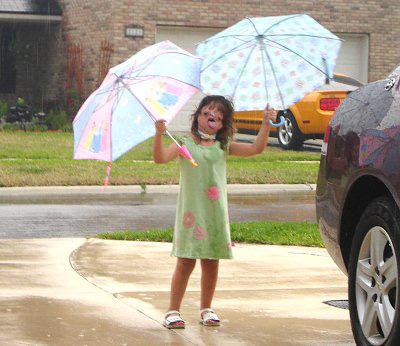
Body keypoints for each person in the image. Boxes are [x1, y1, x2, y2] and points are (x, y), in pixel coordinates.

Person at [153, 95, 277, 329]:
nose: (212, 117)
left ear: (223, 124)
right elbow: (160, 159)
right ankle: (173, 310)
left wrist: (266, 122)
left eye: (218, 116)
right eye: (207, 113)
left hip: (214, 213)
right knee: (186, 260)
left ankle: (206, 308)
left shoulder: (223, 145)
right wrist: (159, 135)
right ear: (197, 116)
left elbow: (256, 148)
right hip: (191, 213)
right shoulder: (183, 143)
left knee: (211, 261)